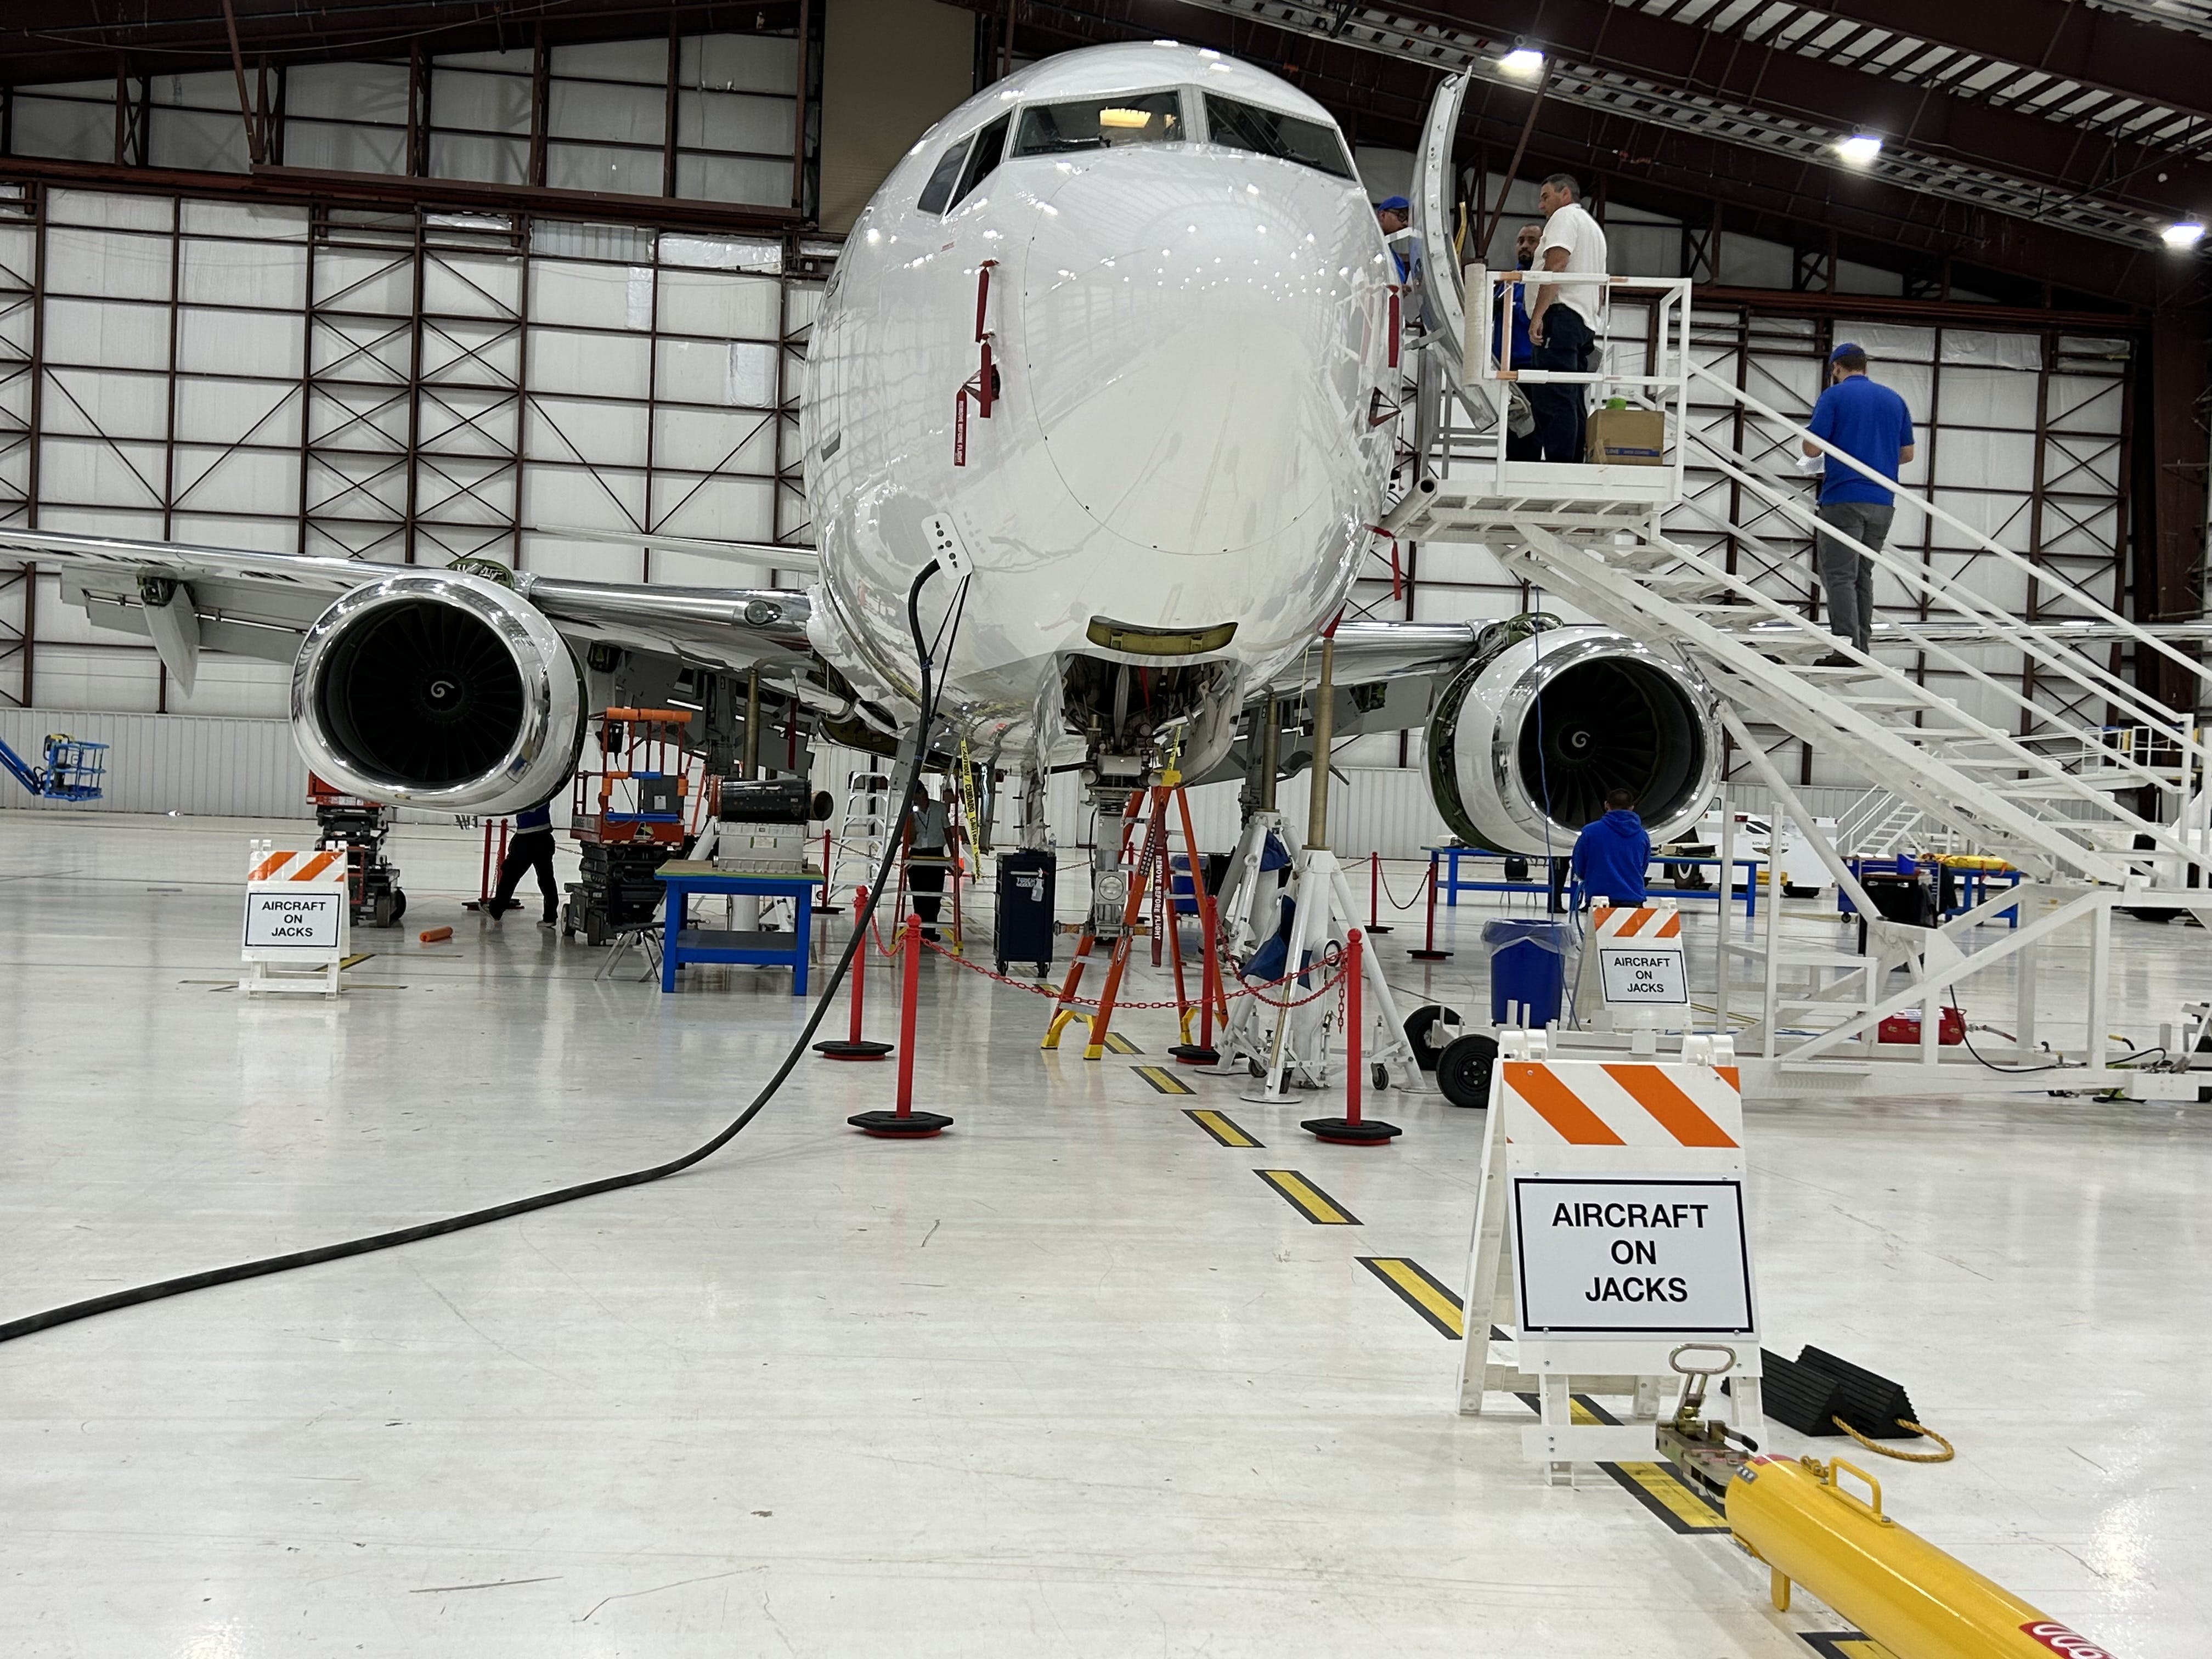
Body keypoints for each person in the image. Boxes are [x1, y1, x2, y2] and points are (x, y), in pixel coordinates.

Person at [1803, 342, 1915, 665]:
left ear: (1836, 368)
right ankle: (1861, 647)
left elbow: (1811, 449)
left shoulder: (1834, 396)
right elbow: (1907, 454)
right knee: (1863, 575)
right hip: (1882, 501)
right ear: (1865, 367)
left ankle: (1846, 649)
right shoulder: (1895, 400)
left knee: (1839, 575)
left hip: (1843, 497)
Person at [1526, 173, 1608, 464]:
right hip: (1583, 321)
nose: (1541, 205)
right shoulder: (1594, 230)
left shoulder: (1564, 218)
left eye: (1546, 196)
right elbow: (1599, 289)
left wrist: (1538, 315)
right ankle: (1571, 462)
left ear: (1565, 195)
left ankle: (1560, 464)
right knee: (1572, 398)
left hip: (1561, 316)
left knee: (1554, 398)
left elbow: (1557, 264)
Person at [1500, 221, 1543, 461]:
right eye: (1521, 241)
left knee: (1529, 434)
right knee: (1511, 434)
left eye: (1531, 241)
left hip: (1530, 368)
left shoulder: (1542, 283)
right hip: (1505, 370)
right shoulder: (1507, 283)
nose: (1525, 246)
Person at [1571, 789, 1650, 909]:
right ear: (1632, 808)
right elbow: (1643, 867)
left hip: (1599, 900)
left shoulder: (1590, 832)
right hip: (1633, 899)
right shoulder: (1642, 836)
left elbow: (1579, 865)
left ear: (1606, 805)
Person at [487, 796, 561, 926]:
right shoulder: (546, 790)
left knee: (510, 875)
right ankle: (550, 916)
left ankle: (496, 909)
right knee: (546, 878)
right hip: (544, 836)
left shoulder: (527, 791)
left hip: (526, 838)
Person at [906, 778, 955, 939]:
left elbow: (947, 831)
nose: (915, 801)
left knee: (935, 895)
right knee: (919, 895)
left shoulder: (939, 809)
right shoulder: (910, 812)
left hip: (936, 854)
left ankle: (930, 931)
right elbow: (910, 840)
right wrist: (911, 821)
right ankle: (919, 930)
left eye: (916, 797)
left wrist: (952, 855)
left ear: (923, 794)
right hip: (918, 854)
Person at [1374, 195, 1412, 280]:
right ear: (1382, 215)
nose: (1406, 224)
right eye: (1401, 217)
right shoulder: (1366, 249)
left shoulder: (1397, 260)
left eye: (1408, 219)